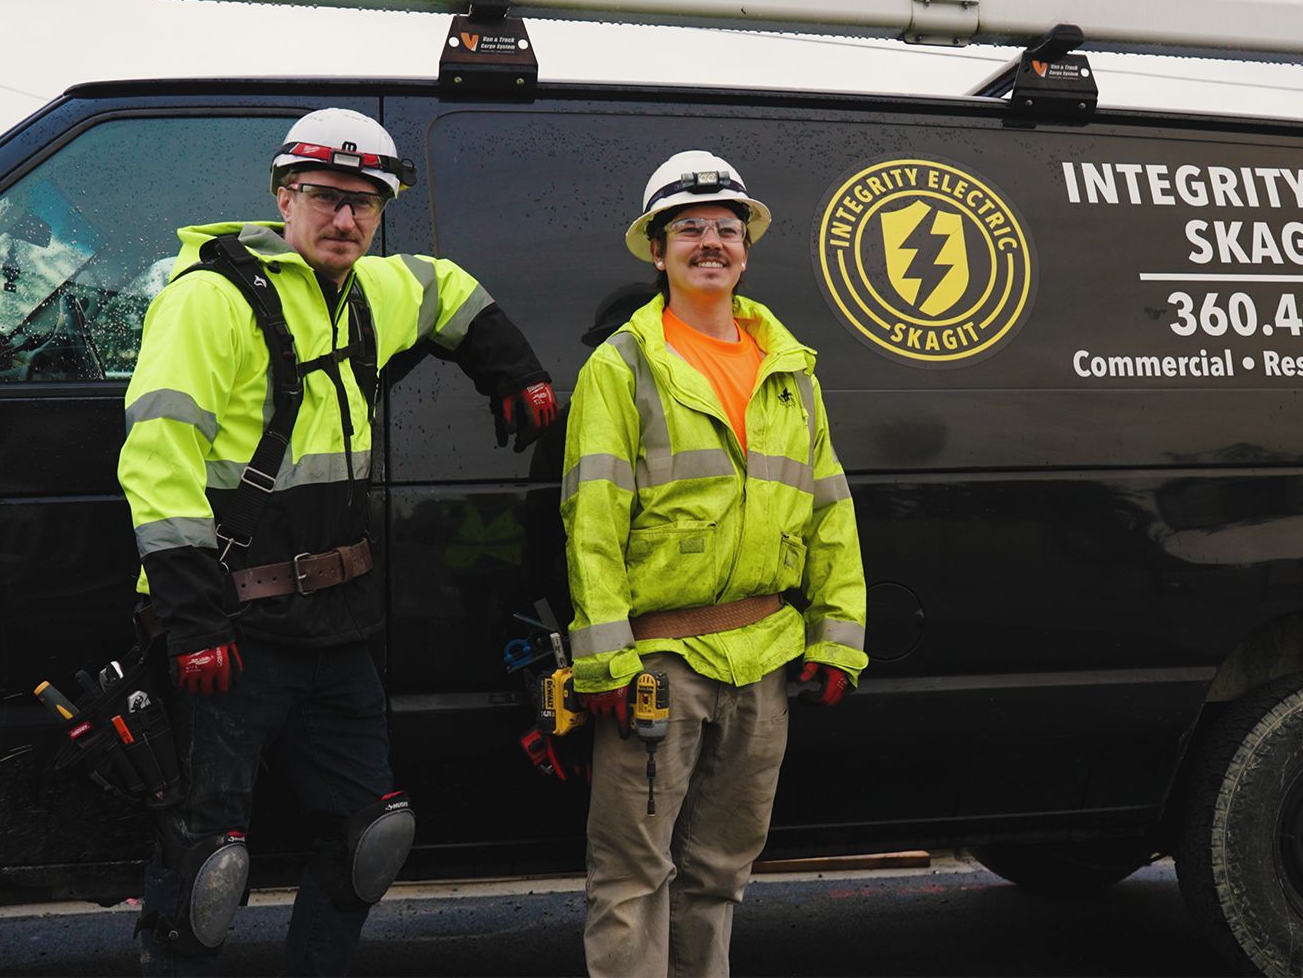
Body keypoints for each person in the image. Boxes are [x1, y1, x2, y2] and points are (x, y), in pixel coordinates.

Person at [118, 107, 558, 976]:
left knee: (373, 835)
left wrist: (515, 370)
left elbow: (445, 287)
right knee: (207, 863)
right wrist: (193, 619)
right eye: (324, 196)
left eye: (366, 202)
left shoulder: (375, 291)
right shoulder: (209, 298)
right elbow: (156, 459)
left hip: (336, 628)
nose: (346, 217)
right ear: (284, 197)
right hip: (230, 629)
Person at [561, 150, 868, 976]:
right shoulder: (622, 365)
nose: (711, 243)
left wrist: (836, 639)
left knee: (720, 874)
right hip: (658, 661)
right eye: (689, 229)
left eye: (726, 229)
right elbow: (591, 522)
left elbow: (830, 510)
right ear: (658, 252)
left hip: (764, 657)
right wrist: (607, 662)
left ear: (746, 251)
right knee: (631, 875)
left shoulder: (789, 371)